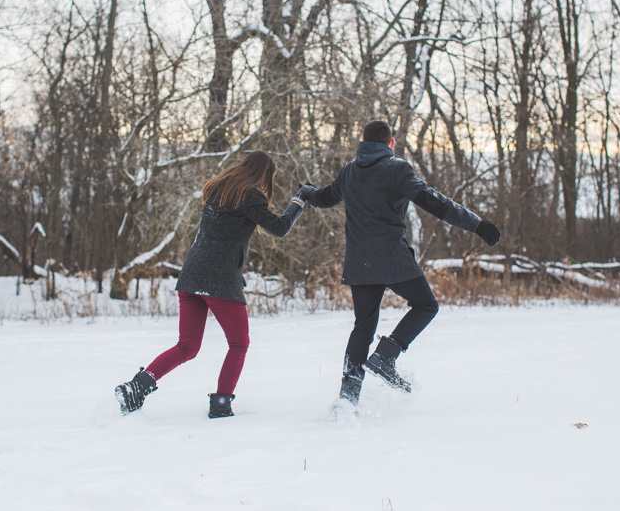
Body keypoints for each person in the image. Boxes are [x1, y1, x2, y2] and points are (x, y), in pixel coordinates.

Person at [307, 120, 501, 407]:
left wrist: (306, 193)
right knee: (426, 305)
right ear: (391, 143)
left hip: (360, 262)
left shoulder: (349, 171)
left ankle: (348, 398)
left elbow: (324, 197)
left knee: (363, 327)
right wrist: (478, 225)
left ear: (362, 142)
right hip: (391, 258)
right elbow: (435, 202)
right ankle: (387, 354)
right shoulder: (397, 169)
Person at [114, 151, 316, 419]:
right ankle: (221, 403)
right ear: (264, 174)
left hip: (192, 276)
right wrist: (298, 200)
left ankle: (137, 387)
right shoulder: (250, 195)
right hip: (219, 280)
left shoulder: (217, 190)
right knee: (238, 344)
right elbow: (279, 228)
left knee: (186, 346)